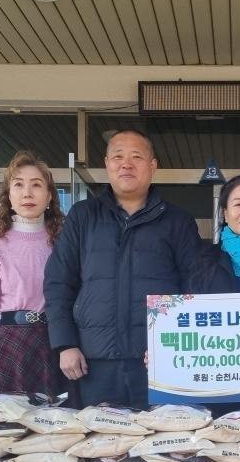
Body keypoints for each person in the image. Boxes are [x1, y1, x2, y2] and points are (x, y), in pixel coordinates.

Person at [44, 129, 202, 408]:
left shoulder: (178, 221)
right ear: (107, 164)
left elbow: (194, 288)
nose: (126, 164)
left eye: (136, 157)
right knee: (98, 435)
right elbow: (59, 282)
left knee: (162, 435)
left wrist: (177, 345)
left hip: (158, 360)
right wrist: (65, 344)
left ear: (152, 166)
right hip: (92, 362)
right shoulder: (83, 216)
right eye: (118, 156)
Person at [0, 150, 66, 398]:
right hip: (9, 344)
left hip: (55, 342)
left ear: (49, 196)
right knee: (9, 418)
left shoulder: (63, 243)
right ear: (8, 195)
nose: (27, 193)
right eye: (18, 185)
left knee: (53, 418)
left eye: (36, 185)